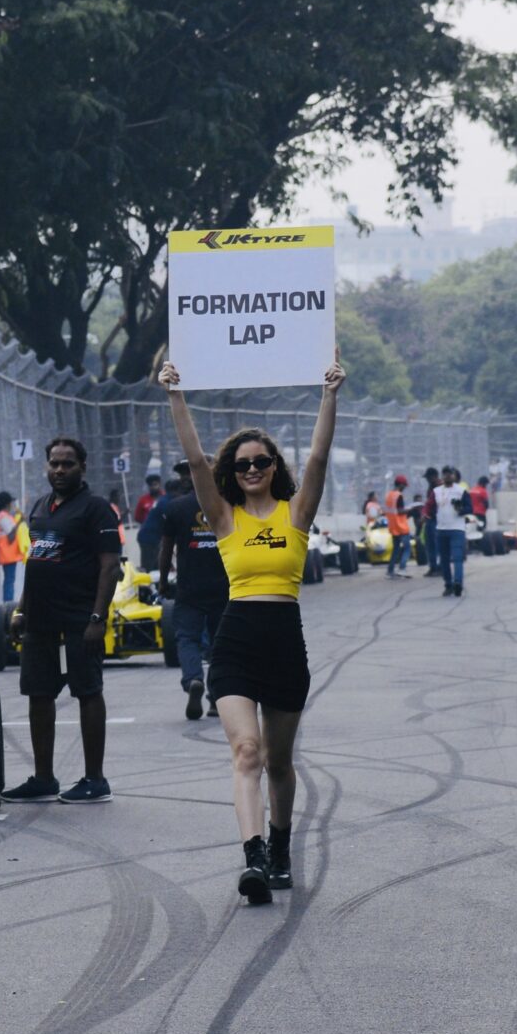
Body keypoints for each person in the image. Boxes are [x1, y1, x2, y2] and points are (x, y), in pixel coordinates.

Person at [161, 350, 345, 902]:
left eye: (261, 461)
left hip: (284, 640)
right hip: (236, 637)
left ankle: (281, 844)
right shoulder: (224, 517)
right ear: (232, 473)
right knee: (247, 752)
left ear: (273, 466)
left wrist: (329, 394)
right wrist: (175, 394)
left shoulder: (296, 512)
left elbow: (318, 457)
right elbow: (195, 461)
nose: (252, 470)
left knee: (279, 762)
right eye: (242, 464)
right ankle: (255, 858)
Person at [2, 437, 123, 806]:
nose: (59, 470)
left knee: (87, 690)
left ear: (82, 467)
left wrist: (98, 618)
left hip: (80, 617)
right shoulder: (40, 506)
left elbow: (110, 567)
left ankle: (95, 780)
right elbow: (35, 561)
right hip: (40, 618)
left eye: (67, 464)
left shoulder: (97, 509)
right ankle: (43, 778)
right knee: (38, 693)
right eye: (54, 463)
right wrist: (21, 609)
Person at [153, 461, 227, 722]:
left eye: (186, 474)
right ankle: (216, 698)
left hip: (189, 588)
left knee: (187, 638)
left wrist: (163, 581)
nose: (185, 478)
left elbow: (165, 550)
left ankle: (193, 679)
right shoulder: (227, 504)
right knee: (221, 642)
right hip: (223, 586)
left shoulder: (175, 507)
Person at [430, 465, 471, 598]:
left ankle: (457, 583)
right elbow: (429, 507)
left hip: (457, 529)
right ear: (442, 476)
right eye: (445, 474)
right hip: (441, 530)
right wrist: (426, 515)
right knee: (444, 560)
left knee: (457, 558)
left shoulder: (461, 491)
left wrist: (461, 509)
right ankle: (448, 584)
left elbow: (470, 508)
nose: (448, 476)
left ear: (454, 476)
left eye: (450, 474)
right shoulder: (436, 491)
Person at [0, 490, 24, 603]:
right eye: (10, 503)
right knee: (9, 580)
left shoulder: (2, 515)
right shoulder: (2, 516)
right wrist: (19, 523)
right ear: (7, 504)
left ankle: (8, 602)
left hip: (8, 554)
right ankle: (8, 603)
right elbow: (11, 536)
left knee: (9, 580)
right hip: (8, 554)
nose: (11, 505)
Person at [133, 472, 166, 572]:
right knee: (148, 565)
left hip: (163, 535)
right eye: (151, 485)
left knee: (161, 561)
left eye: (155, 484)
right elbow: (138, 517)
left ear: (159, 484)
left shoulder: (164, 497)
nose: (153, 487)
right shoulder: (143, 500)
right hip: (149, 536)